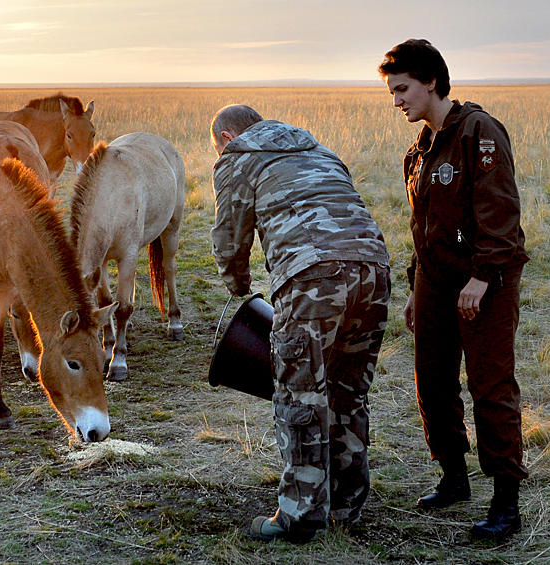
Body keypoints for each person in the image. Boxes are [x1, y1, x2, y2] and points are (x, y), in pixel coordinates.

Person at [210, 104, 390, 542]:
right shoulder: (319, 149)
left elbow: (229, 237)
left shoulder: (237, 156)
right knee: (348, 391)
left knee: (300, 396)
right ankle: (347, 506)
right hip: (374, 270)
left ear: (228, 137)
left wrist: (238, 284)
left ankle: (300, 515)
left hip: (313, 278)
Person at [378, 39, 530, 540]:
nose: (396, 100)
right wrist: (412, 287)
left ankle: (506, 501)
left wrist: (483, 277)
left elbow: (502, 213)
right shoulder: (418, 149)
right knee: (432, 380)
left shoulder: (479, 133)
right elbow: (423, 225)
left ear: (432, 82)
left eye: (402, 89)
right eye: (392, 91)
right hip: (435, 282)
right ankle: (453, 477)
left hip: (485, 282)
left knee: (490, 386)